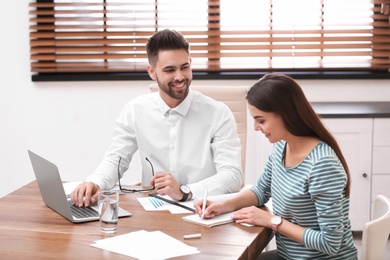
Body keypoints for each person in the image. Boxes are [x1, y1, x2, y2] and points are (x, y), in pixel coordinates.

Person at [71, 29, 243, 207]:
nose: (180, 77)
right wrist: (96, 182)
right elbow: (116, 158)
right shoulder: (135, 110)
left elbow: (233, 175)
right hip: (154, 210)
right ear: (151, 72)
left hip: (204, 210)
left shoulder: (218, 113)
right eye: (170, 70)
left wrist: (185, 191)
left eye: (184, 67)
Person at [195, 74, 358, 260]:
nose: (256, 127)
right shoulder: (281, 146)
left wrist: (272, 221)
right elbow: (261, 191)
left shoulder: (322, 165)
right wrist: (222, 204)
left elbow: (330, 244)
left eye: (261, 120)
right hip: (290, 256)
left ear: (286, 113)